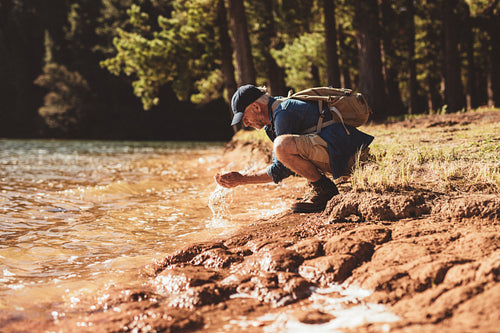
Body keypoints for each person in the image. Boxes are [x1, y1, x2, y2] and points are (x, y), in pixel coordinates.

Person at [215, 84, 374, 213]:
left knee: (282, 146)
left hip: (352, 158)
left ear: (256, 107)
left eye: (245, 118)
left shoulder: (283, 113)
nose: (246, 124)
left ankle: (326, 191)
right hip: (344, 151)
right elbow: (284, 164)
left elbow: (281, 169)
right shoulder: (275, 114)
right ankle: (318, 186)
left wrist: (242, 179)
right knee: (282, 146)